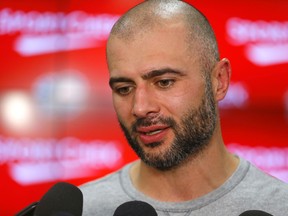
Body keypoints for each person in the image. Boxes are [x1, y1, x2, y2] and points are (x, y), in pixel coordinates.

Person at [80, 0, 288, 215]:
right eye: (124, 89)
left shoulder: (280, 206)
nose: (140, 108)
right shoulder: (84, 210)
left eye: (164, 82)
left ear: (219, 80)